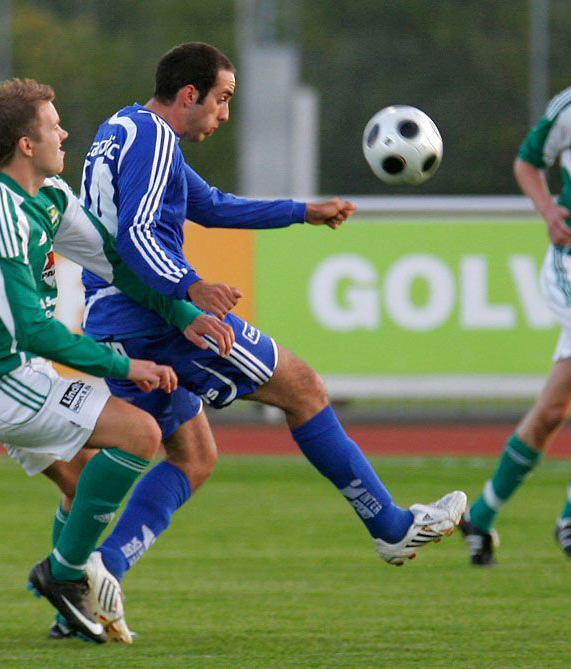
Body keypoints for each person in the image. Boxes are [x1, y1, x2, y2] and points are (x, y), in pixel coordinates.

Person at [74, 42, 467, 637]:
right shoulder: (156, 138)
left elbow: (208, 205)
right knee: (304, 389)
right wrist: (190, 287)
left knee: (194, 457)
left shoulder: (120, 129)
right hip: (162, 319)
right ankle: (389, 527)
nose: (224, 114)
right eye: (222, 100)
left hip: (111, 322)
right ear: (189, 96)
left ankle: (103, 567)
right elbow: (133, 236)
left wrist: (301, 211)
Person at [0, 77, 233, 642]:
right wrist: (126, 367)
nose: (64, 132)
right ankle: (63, 574)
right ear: (27, 145)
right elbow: (35, 329)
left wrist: (183, 315)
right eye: (53, 125)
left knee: (82, 492)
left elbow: (118, 267)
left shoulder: (51, 198)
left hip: (23, 372)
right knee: (141, 435)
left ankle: (65, 611)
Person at [460, 85, 571, 566]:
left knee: (552, 410)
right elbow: (528, 162)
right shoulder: (567, 109)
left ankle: (480, 516)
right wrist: (548, 210)